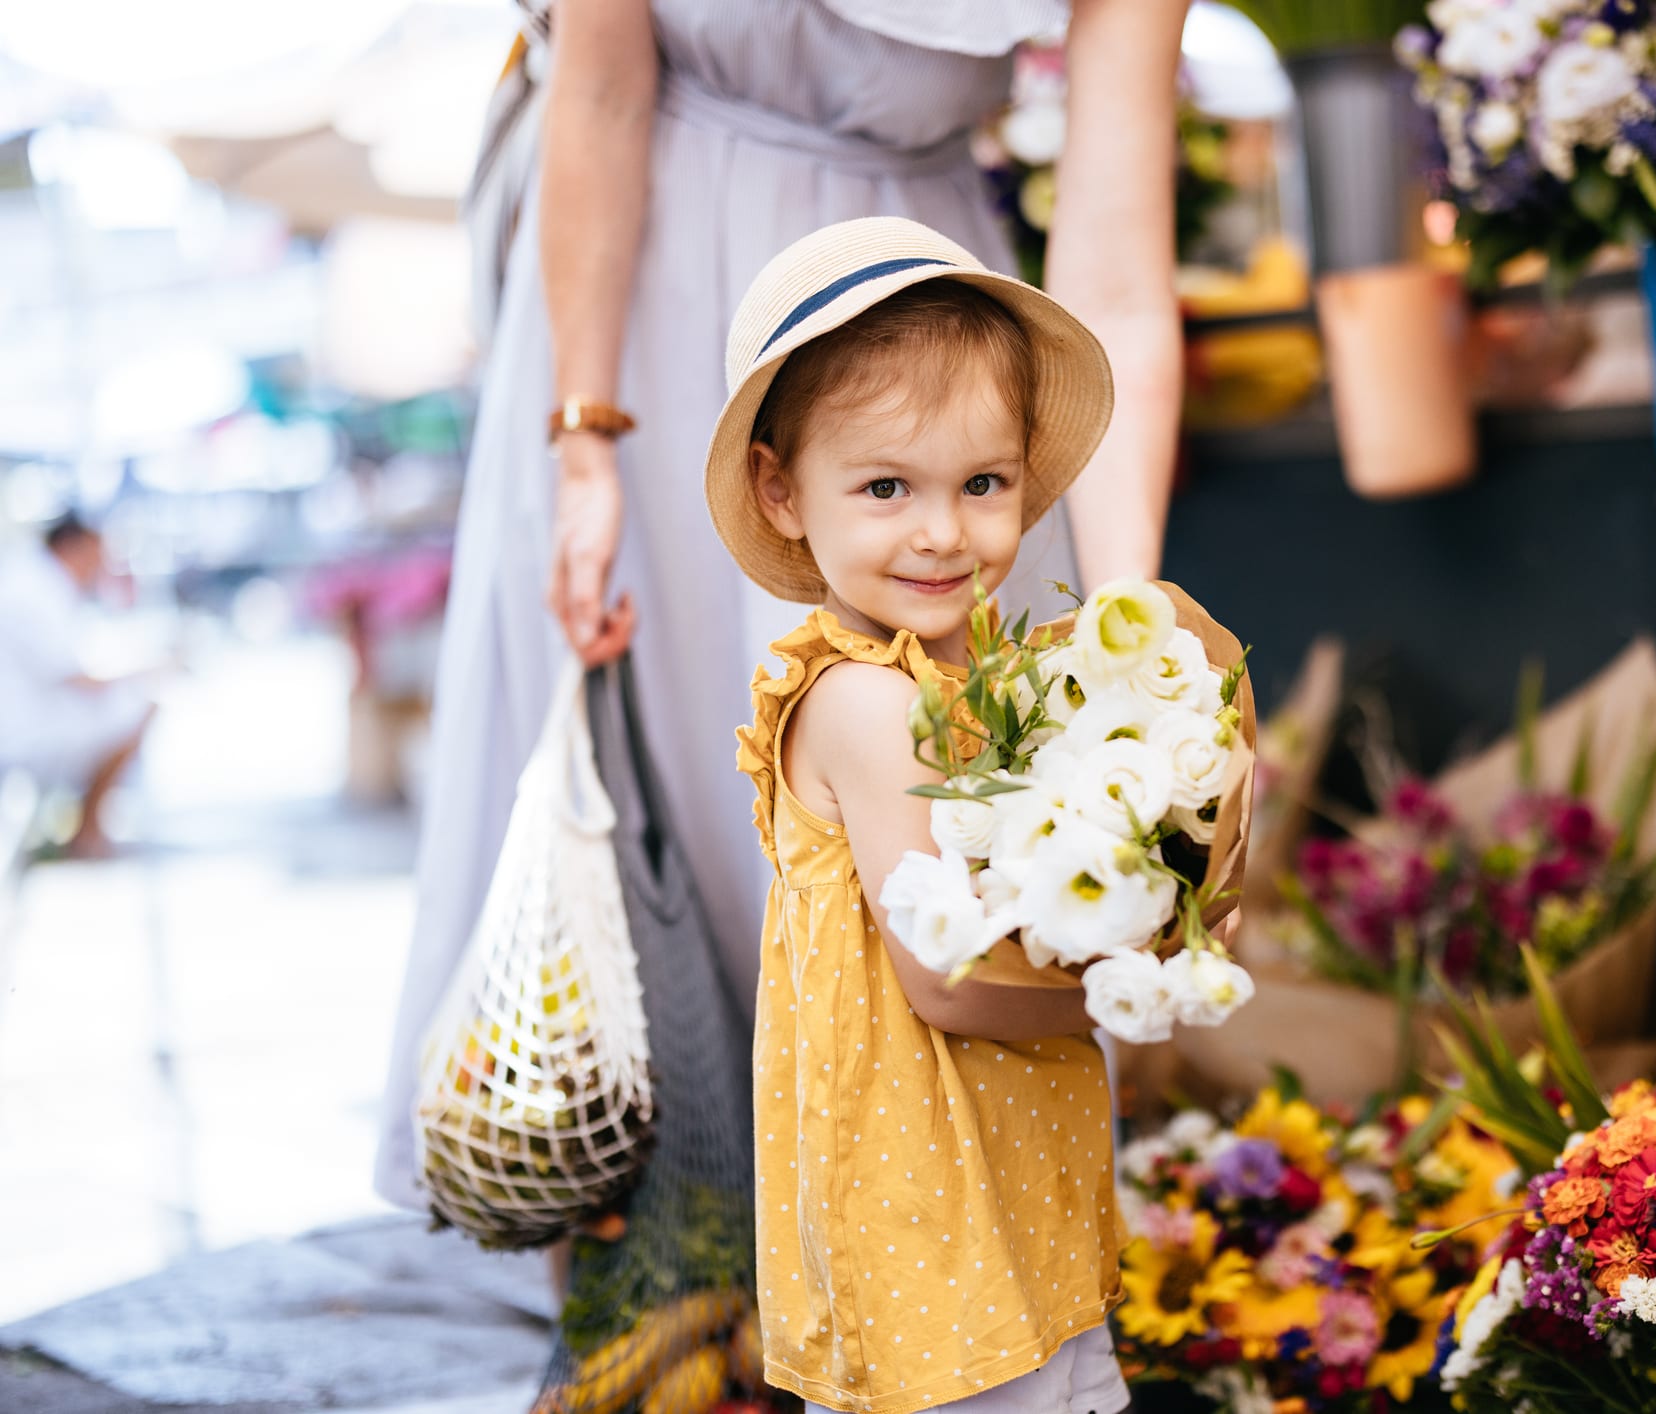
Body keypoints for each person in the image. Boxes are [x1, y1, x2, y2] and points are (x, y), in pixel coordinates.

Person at [373, 0, 1190, 1213]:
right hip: (654, 303)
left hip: (931, 321)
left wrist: (1124, 616)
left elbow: (1116, 272)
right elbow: (597, 92)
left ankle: (938, 1243)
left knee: (949, 811)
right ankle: (675, 1262)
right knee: (677, 789)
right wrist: (584, 442)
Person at [715, 220, 1125, 1412]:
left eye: (980, 483)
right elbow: (943, 976)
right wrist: (1126, 975)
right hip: (927, 1207)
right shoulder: (864, 701)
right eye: (886, 486)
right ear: (781, 490)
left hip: (1000, 1171)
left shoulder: (979, 672)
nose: (942, 530)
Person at [0, 515, 156, 859]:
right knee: (139, 709)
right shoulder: (34, 589)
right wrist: (142, 672)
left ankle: (87, 829)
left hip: (32, 715)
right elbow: (77, 678)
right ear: (74, 545)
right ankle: (87, 833)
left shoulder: (40, 581)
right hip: (22, 731)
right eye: (97, 553)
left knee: (133, 706)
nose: (100, 564)